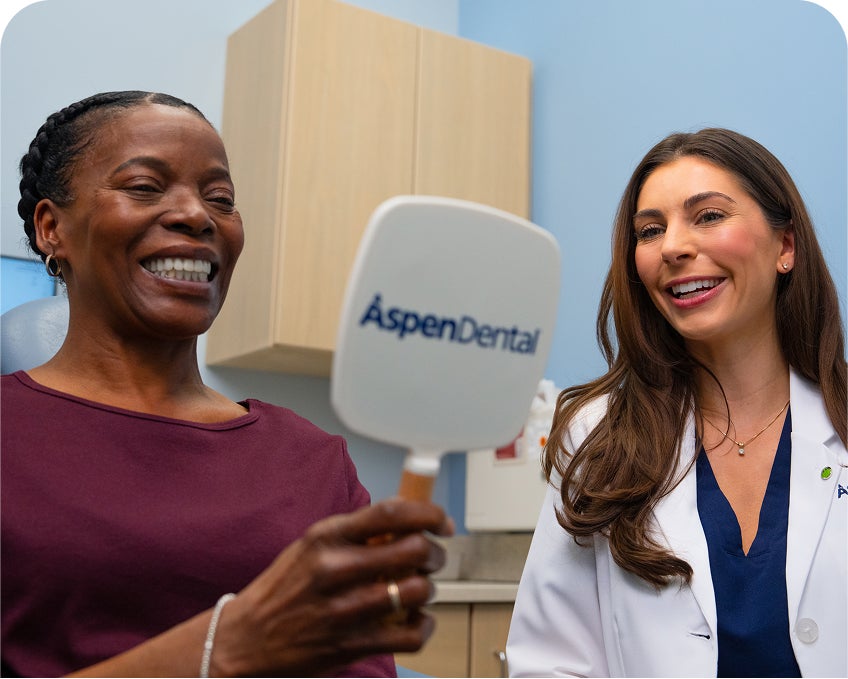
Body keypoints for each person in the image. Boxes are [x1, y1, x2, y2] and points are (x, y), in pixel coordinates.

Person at [1, 91, 454, 678]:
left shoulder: (313, 461)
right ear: (50, 228)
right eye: (143, 186)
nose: (197, 215)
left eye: (222, 199)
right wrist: (229, 646)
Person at [506, 128, 847, 677]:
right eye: (650, 230)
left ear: (786, 246)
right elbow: (550, 662)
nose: (672, 247)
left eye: (709, 216)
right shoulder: (597, 440)